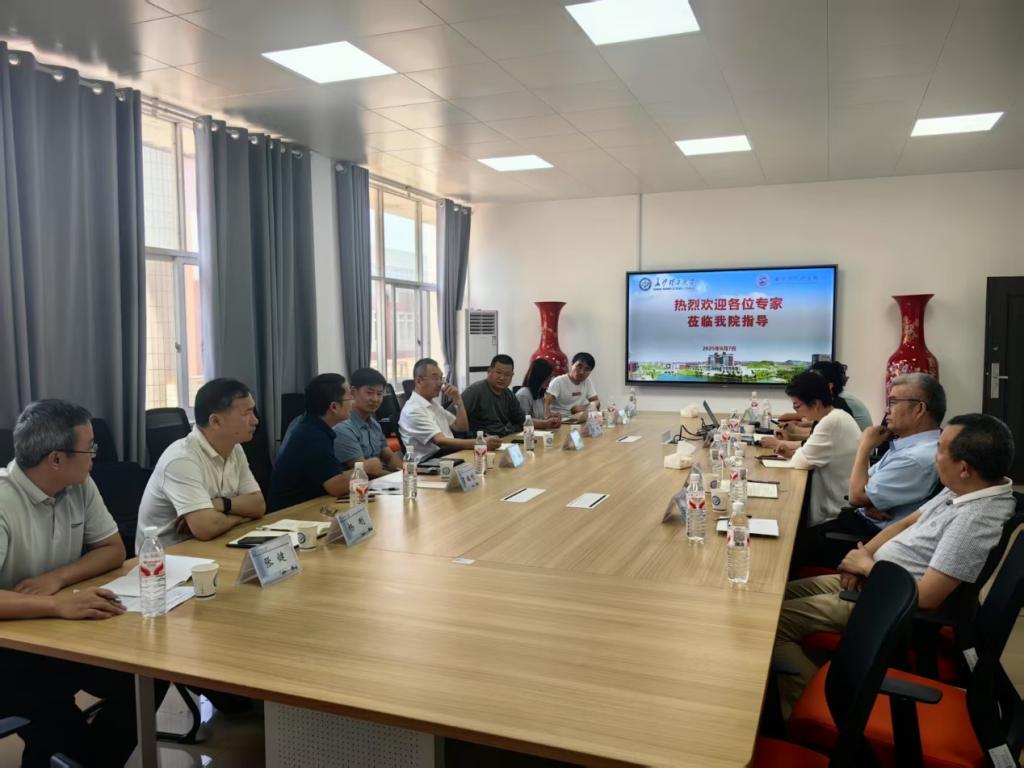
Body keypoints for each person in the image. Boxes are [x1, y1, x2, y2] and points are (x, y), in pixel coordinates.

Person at [773, 413, 1016, 718]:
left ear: (964, 468)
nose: (934, 456)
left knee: (773, 624)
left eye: (940, 449)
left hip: (888, 606)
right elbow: (909, 521)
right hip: (878, 581)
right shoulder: (963, 488)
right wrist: (863, 556)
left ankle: (814, 709)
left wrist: (867, 567)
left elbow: (927, 597)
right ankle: (803, 676)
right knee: (776, 598)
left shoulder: (974, 520)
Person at [0, 399, 140, 767]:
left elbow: (112, 549)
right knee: (53, 714)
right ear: (56, 459)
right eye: (89, 447)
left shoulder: (79, 484)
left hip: (57, 637)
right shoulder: (2, 500)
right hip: (10, 651)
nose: (95, 455)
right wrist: (56, 604)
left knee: (143, 679)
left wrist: (57, 578)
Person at [797, 373, 945, 566]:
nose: (886, 410)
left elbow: (856, 496)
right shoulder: (909, 445)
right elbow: (866, 487)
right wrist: (869, 502)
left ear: (919, 409)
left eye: (893, 402)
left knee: (789, 544)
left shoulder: (916, 458)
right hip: (861, 520)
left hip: (867, 536)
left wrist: (865, 447)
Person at [136, 378, 265, 551]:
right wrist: (242, 516)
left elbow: (258, 505)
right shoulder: (181, 459)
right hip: (168, 558)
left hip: (212, 545)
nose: (255, 420)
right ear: (215, 421)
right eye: (246, 413)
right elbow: (206, 528)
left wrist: (221, 504)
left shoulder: (235, 448)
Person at [762, 371, 860, 526]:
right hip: (841, 504)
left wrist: (795, 453)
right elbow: (806, 453)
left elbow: (800, 462)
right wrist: (795, 453)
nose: (796, 412)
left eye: (797, 406)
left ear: (815, 404)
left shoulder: (831, 422)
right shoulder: (838, 416)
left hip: (836, 514)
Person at [269, 374, 354, 512]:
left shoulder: (311, 425)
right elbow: (337, 487)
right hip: (291, 513)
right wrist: (364, 469)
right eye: (350, 397)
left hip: (310, 505)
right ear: (334, 407)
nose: (353, 403)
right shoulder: (311, 436)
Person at [399, 358, 502, 460]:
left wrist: (458, 400)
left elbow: (461, 427)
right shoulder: (413, 409)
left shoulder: (433, 404)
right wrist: (480, 443)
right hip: (430, 462)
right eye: (435, 378)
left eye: (441, 378)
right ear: (419, 381)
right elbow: (441, 442)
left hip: (448, 456)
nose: (440, 383)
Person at [462, 355, 561, 437]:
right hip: (480, 443)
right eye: (498, 372)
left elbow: (522, 420)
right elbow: (455, 423)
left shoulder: (508, 394)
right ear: (489, 371)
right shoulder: (474, 391)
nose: (502, 378)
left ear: (512, 376)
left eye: (507, 374)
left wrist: (547, 423)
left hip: (503, 439)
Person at [334, 367, 403, 476]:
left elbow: (389, 457)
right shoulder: (343, 428)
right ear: (353, 392)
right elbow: (364, 471)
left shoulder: (375, 425)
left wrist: (408, 474)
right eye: (369, 393)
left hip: (379, 481)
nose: (375, 399)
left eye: (379, 394)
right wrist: (398, 479)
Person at [544, 352, 600, 418]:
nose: (582, 372)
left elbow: (597, 402)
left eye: (586, 369)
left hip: (577, 419)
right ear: (572, 364)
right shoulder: (558, 381)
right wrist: (547, 416)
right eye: (579, 367)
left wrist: (583, 407)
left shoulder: (587, 382)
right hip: (561, 419)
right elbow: (546, 401)